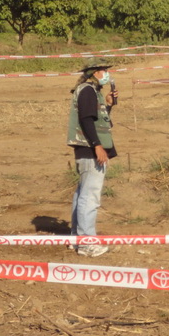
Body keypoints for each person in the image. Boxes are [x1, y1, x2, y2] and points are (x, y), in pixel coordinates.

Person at [66, 58, 118, 257]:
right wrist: (97, 146)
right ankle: (87, 243)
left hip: (86, 149)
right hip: (90, 150)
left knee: (82, 195)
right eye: (104, 70)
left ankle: (76, 239)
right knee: (90, 197)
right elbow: (86, 120)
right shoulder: (88, 91)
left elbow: (98, 120)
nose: (107, 74)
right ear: (95, 72)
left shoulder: (91, 91)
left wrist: (108, 105)